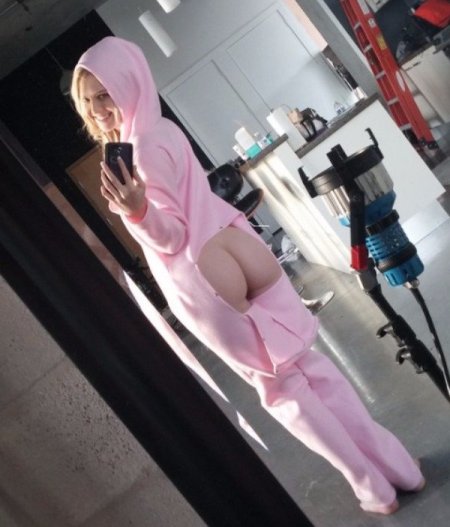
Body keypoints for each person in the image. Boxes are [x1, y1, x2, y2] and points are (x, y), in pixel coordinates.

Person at [71, 36, 425, 515]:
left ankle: (373, 489)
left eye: (105, 94)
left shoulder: (139, 150)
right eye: (88, 100)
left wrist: (136, 212)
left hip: (205, 275)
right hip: (238, 245)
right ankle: (401, 468)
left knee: (282, 391)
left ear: (128, 83)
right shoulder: (164, 129)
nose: (98, 110)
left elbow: (172, 236)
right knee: (312, 367)